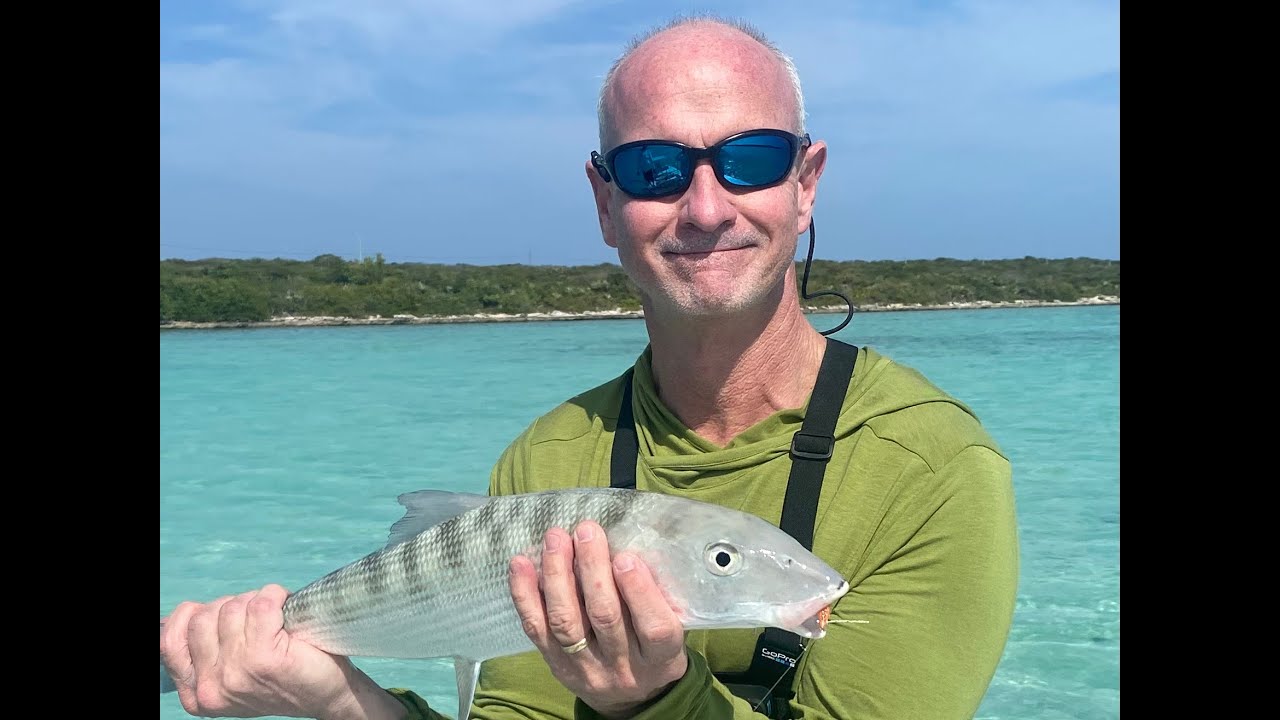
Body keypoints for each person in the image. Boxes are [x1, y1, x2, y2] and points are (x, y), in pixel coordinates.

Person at [160, 14, 1019, 720]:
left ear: (806, 183)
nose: (708, 206)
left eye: (751, 159)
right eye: (657, 169)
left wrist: (656, 698)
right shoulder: (550, 456)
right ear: (606, 203)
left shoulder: (934, 473)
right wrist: (339, 699)